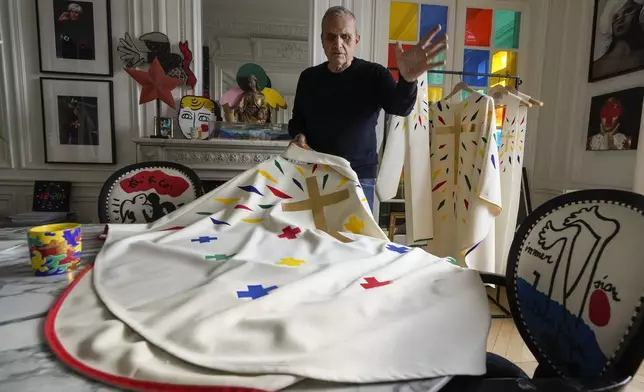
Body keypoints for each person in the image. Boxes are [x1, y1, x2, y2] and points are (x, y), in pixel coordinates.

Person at [288, 6, 447, 211]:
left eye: (345, 37)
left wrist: (408, 81)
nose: (338, 44)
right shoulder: (308, 78)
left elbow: (400, 107)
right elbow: (297, 120)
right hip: (315, 173)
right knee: (317, 237)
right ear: (322, 41)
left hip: (360, 176)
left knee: (360, 239)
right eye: (331, 37)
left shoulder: (374, 74)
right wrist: (298, 134)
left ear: (356, 40)